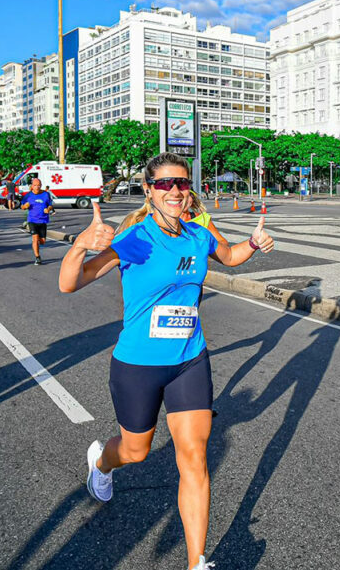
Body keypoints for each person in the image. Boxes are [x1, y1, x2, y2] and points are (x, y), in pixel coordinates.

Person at [58, 152, 274, 570]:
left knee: (194, 456)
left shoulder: (199, 234)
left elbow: (229, 258)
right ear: (148, 189)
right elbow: (71, 283)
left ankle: (197, 562)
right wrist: (82, 244)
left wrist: (253, 243)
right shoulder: (134, 238)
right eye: (164, 184)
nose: (175, 191)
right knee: (136, 452)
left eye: (181, 183)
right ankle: (102, 462)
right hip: (137, 364)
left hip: (189, 360)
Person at [19, 178, 53, 265]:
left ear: (41, 186)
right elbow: (22, 206)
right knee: (35, 239)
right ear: (32, 186)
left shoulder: (46, 194)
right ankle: (37, 257)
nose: (37, 187)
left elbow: (50, 205)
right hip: (32, 220)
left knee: (42, 241)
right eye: (35, 185)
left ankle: (38, 243)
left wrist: (48, 209)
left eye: (38, 185)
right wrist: (25, 206)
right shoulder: (28, 196)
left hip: (43, 220)